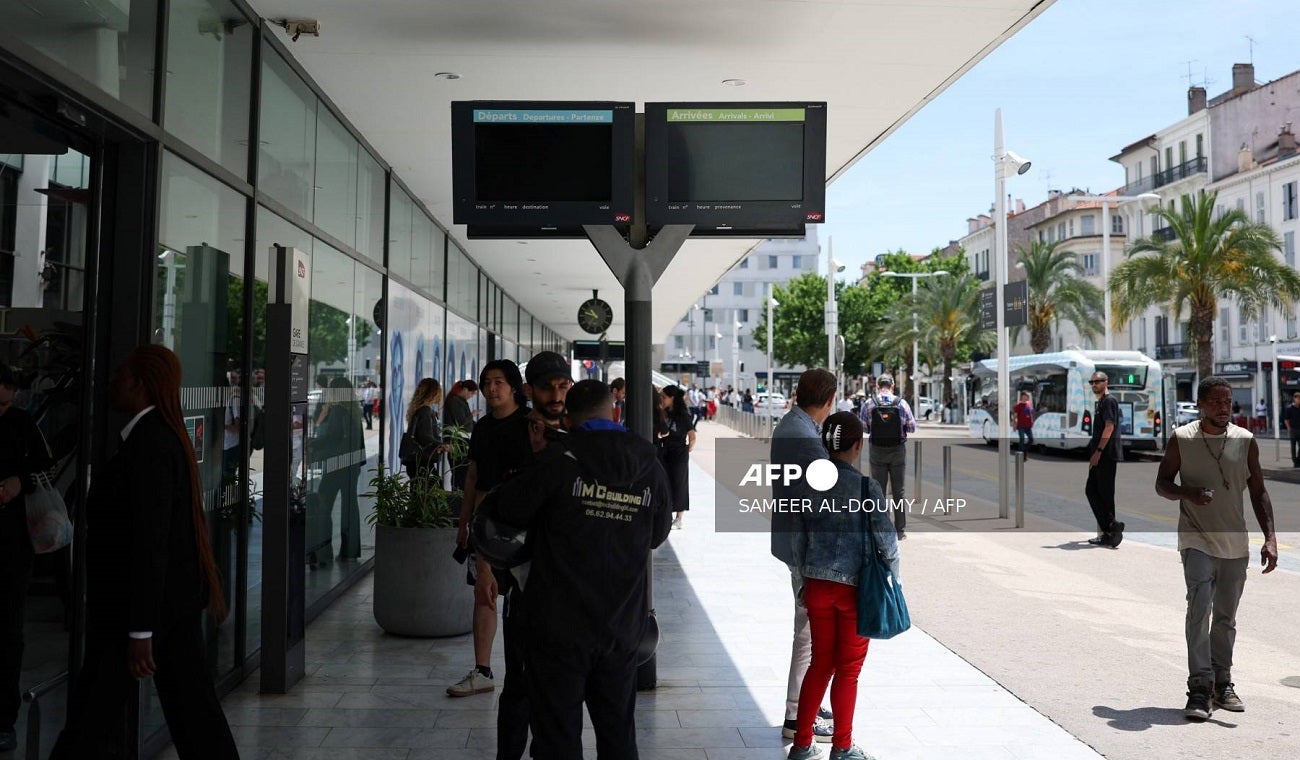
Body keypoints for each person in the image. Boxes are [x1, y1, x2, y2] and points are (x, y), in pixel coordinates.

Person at [51, 345, 236, 758]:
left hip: (141, 615)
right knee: (193, 719)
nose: (111, 382)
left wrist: (140, 631)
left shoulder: (150, 444)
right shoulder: (156, 438)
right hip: (156, 612)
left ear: (138, 384)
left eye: (120, 375)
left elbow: (149, 543)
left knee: (94, 723)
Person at [477, 380, 672, 759]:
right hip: (621, 626)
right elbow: (657, 534)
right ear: (613, 411)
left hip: (558, 628)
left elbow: (505, 513)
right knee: (618, 736)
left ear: (568, 417)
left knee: (557, 738)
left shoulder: (558, 460)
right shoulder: (648, 462)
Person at [1155, 376, 1277, 722]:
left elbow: (1258, 493)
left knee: (1225, 618)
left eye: (1228, 402)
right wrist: (1187, 494)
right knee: (1199, 609)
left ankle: (1222, 683)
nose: (1225, 408)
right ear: (1201, 405)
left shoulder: (1245, 441)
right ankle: (1199, 686)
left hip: (1235, 543)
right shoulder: (1182, 439)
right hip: (1196, 538)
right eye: (1217, 402)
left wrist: (1269, 537)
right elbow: (1162, 483)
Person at [788, 412, 893, 760]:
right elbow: (887, 542)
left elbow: (798, 542)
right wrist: (894, 578)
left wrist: (804, 582)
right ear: (858, 444)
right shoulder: (867, 488)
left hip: (816, 587)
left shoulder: (809, 486)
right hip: (854, 592)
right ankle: (842, 747)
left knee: (820, 663)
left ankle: (802, 744)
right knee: (848, 670)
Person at [770, 368, 838, 745]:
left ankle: (806, 704)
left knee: (808, 629)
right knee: (809, 633)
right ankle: (797, 715)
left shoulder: (792, 425)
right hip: (806, 546)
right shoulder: (805, 439)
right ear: (828, 400)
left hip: (794, 540)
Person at [0, 366, 55, 752]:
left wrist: (20, 481)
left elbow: (44, 465)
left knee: (7, 632)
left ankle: (4, 718)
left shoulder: (22, 424)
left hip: (12, 543)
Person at [859, 375, 916, 539]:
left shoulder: (870, 403)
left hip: (877, 450)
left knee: (878, 491)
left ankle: (881, 530)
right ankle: (900, 531)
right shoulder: (901, 403)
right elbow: (912, 427)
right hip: (897, 450)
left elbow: (864, 427)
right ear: (892, 386)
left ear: (877, 386)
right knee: (899, 491)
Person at [315, 377, 364, 563]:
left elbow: (331, 437)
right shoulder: (354, 409)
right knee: (350, 507)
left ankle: (321, 550)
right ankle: (350, 550)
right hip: (352, 464)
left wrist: (312, 444)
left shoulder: (337, 410)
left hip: (337, 464)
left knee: (322, 503)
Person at [1085, 371, 1124, 548]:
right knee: (1092, 490)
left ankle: (1110, 531)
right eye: (1092, 382)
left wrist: (1099, 451)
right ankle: (1110, 526)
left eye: (1098, 381)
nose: (1094, 384)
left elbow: (1109, 427)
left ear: (1106, 382)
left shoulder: (1109, 401)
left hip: (1106, 455)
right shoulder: (1101, 402)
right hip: (1100, 454)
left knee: (1104, 493)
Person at [656, 385, 695, 529]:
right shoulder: (663, 412)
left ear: (672, 398)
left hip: (679, 453)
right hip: (665, 451)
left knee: (679, 483)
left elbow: (692, 437)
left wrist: (686, 451)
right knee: (665, 482)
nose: (662, 400)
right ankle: (667, 514)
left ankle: (679, 518)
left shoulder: (683, 414)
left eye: (664, 397)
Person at [403, 377, 447, 483]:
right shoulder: (425, 411)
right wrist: (442, 445)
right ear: (434, 393)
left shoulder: (419, 409)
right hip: (422, 460)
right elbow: (425, 436)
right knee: (433, 488)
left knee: (419, 492)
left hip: (416, 461)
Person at [443, 379, 478, 490]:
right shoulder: (454, 401)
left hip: (461, 441)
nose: (471, 396)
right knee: (460, 473)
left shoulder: (459, 401)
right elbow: (461, 423)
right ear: (465, 389)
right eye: (471, 393)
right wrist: (471, 415)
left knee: (462, 472)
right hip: (458, 441)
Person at [1013, 390, 1034, 457]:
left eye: (1028, 396)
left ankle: (1024, 451)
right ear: (1022, 396)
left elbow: (1031, 413)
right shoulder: (1018, 405)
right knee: (1022, 439)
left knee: (1031, 439)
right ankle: (1020, 455)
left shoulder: (1029, 404)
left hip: (1028, 426)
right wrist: (1014, 424)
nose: (1028, 397)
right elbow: (1015, 416)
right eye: (1026, 396)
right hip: (1021, 426)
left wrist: (1032, 420)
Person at [1284, 392, 1300, 467]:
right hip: (1293, 430)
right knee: (1293, 447)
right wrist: (1289, 428)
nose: (1299, 400)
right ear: (1294, 399)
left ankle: (1298, 460)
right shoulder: (1289, 409)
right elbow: (1286, 419)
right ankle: (1295, 461)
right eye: (1298, 398)